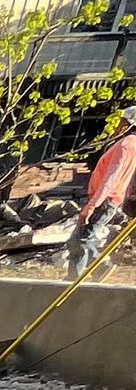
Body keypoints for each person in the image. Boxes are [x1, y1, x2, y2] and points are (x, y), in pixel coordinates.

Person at [66, 106, 136, 279]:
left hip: (105, 199)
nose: (118, 124)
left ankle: (100, 268)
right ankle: (74, 277)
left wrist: (92, 205)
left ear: (129, 123)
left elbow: (110, 179)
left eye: (122, 121)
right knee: (78, 240)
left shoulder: (126, 145)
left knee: (82, 239)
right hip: (110, 199)